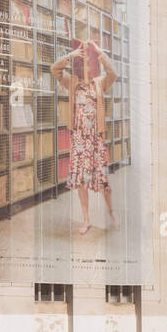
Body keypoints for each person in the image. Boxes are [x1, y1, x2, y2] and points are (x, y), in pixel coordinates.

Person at [50, 39, 119, 234]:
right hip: (79, 138)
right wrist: (70, 56)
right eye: (82, 62)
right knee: (81, 179)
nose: (85, 66)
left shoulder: (100, 83)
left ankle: (111, 213)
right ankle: (86, 219)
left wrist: (99, 52)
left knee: (103, 178)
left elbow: (113, 73)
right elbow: (54, 69)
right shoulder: (71, 81)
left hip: (95, 139)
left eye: (88, 62)